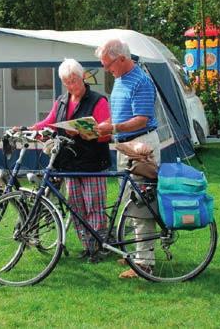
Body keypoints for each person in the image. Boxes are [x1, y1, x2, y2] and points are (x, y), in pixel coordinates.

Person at [24, 58, 111, 263]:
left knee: (94, 207)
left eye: (74, 80)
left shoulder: (98, 101)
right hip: (70, 163)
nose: (72, 85)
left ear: (83, 77)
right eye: (67, 82)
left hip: (92, 163)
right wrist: (30, 129)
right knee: (76, 208)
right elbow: (50, 123)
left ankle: (97, 247)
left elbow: (106, 132)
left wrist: (87, 132)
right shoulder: (62, 100)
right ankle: (87, 246)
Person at [95, 39, 161, 279]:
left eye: (108, 64)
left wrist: (113, 127)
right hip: (126, 145)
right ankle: (136, 252)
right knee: (128, 200)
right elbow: (121, 114)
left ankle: (145, 263)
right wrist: (108, 126)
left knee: (142, 202)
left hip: (141, 144)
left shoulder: (141, 81)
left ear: (122, 58)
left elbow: (142, 119)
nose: (106, 69)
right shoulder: (121, 79)